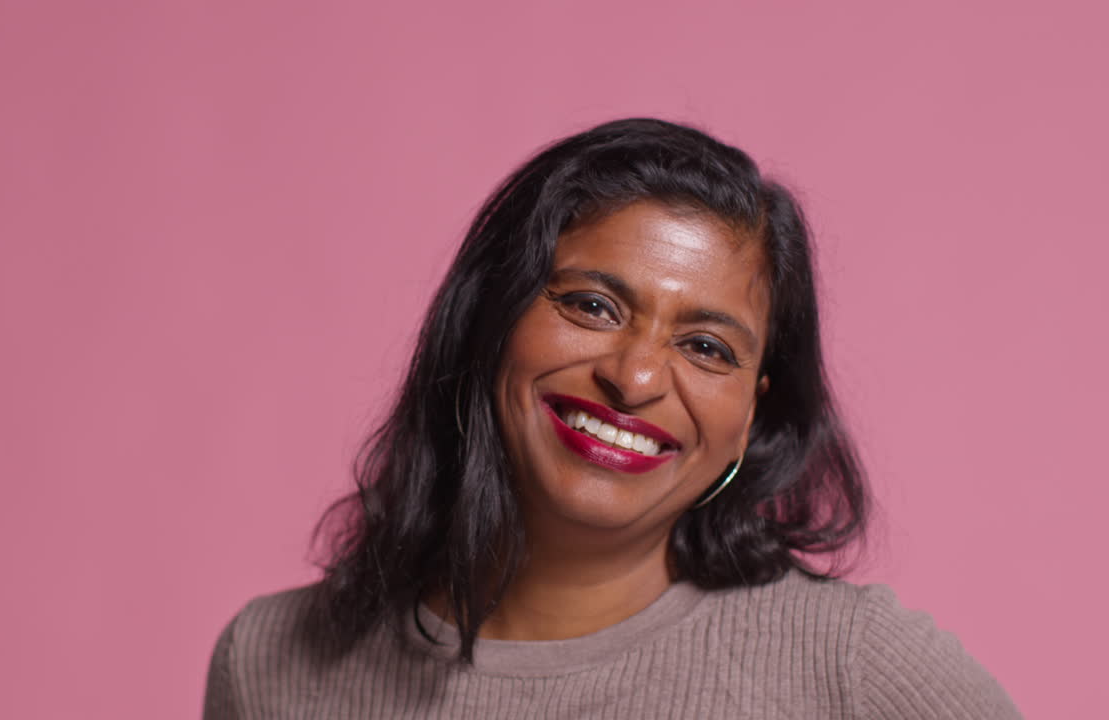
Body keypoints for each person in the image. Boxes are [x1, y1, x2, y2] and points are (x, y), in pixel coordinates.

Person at [203, 118, 1020, 718]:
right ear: (490, 319)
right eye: (593, 306)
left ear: (749, 414)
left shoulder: (850, 667)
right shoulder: (270, 665)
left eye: (706, 348)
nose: (634, 377)